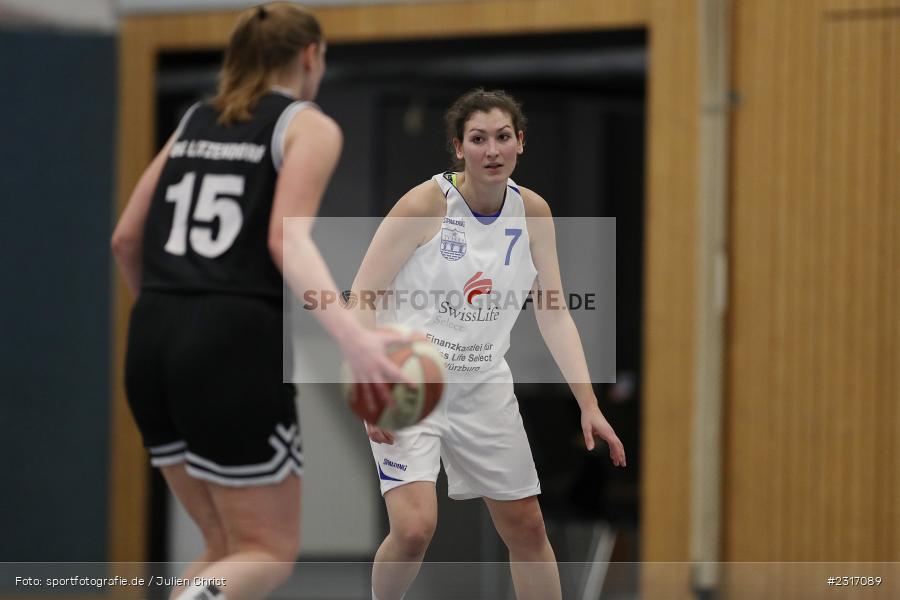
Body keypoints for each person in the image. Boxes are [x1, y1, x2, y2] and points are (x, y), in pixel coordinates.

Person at [111, 4, 403, 600]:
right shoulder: (306, 126)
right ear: (311, 56)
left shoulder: (194, 119)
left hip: (153, 334)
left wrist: (172, 319)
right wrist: (356, 338)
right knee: (267, 551)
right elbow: (285, 237)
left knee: (223, 550)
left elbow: (125, 239)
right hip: (229, 340)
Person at [351, 88, 627, 600]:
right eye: (478, 139)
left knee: (527, 529)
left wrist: (589, 404)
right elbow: (362, 296)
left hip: (483, 383)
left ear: (520, 142)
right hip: (410, 382)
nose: (492, 150)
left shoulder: (533, 212)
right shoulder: (424, 203)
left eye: (503, 137)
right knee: (414, 531)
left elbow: (554, 312)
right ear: (459, 147)